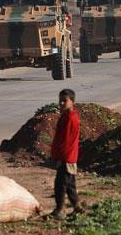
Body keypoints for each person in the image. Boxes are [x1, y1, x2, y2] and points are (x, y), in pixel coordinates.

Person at [50, 88, 84, 220]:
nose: (61, 103)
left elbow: (67, 141)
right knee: (69, 185)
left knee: (60, 185)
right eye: (60, 101)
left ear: (72, 102)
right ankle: (77, 207)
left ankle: (59, 210)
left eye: (65, 101)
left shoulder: (70, 118)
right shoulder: (66, 116)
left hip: (67, 157)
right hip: (67, 157)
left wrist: (61, 158)